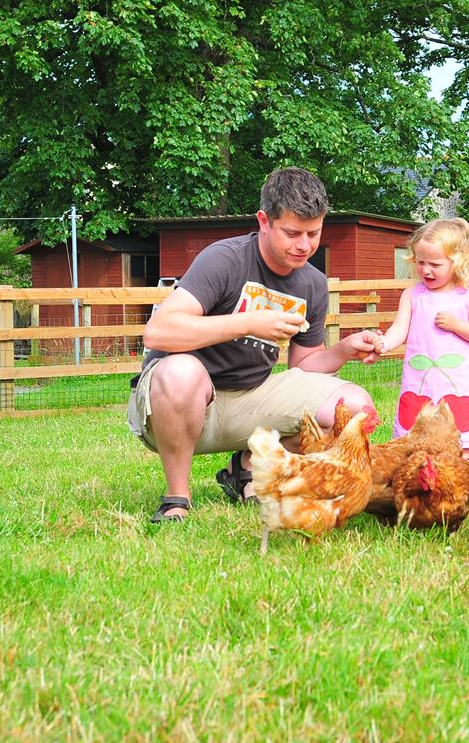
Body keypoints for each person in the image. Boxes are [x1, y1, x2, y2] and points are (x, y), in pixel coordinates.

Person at [127, 167, 384, 522]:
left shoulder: (312, 283)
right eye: (292, 233)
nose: (304, 245)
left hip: (250, 396)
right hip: (178, 402)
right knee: (181, 371)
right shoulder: (225, 259)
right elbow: (159, 332)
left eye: (313, 233)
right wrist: (248, 322)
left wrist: (343, 350)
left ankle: (247, 466)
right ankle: (177, 497)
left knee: (353, 407)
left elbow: (303, 366)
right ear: (264, 221)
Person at [377, 218, 469, 458]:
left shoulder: (468, 296)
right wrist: (385, 343)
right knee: (415, 434)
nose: (425, 270)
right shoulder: (412, 295)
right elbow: (400, 329)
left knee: (460, 434)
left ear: (457, 262)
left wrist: (457, 325)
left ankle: (463, 472)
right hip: (420, 379)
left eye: (435, 264)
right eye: (420, 262)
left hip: (457, 382)